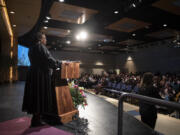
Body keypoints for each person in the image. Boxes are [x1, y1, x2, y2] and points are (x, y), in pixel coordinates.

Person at [22, 32, 62, 127]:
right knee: (40, 95)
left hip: (33, 73)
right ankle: (36, 120)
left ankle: (35, 119)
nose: (46, 40)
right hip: (40, 75)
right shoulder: (41, 47)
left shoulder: (31, 48)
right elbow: (49, 59)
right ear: (40, 39)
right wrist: (58, 64)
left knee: (35, 96)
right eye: (45, 38)